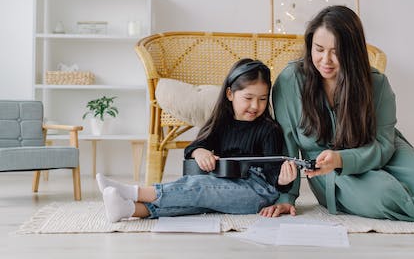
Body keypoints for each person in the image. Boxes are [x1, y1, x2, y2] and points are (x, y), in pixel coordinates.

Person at [259, 5, 414, 225]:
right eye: (319, 49)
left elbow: (384, 145)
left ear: (352, 51)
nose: (326, 60)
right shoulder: (290, 82)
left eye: (336, 52)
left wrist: (343, 158)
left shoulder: (376, 83)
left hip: (380, 150)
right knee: (384, 196)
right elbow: (288, 147)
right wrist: (287, 196)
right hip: (328, 171)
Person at [97, 58, 297, 222]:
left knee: (199, 187)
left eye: (262, 99)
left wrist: (282, 179)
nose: (255, 105)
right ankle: (129, 209)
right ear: (230, 94)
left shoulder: (269, 130)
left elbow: (273, 176)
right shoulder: (221, 123)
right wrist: (199, 152)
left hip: (257, 192)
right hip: (223, 183)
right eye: (248, 98)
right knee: (191, 200)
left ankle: (132, 191)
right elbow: (194, 146)